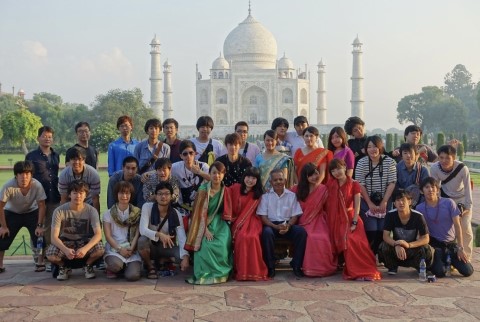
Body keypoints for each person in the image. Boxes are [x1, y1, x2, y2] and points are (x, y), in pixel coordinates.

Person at [326, 159, 381, 281]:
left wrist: (354, 222)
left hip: (351, 217)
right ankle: (349, 268)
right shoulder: (330, 184)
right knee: (343, 240)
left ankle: (362, 270)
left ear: (345, 167)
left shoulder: (354, 184)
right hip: (336, 219)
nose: (336, 172)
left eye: (339, 168)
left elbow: (357, 206)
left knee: (355, 242)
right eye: (333, 170)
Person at [46, 180, 104, 280]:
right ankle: (63, 266)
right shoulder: (59, 211)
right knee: (50, 255)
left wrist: (85, 248)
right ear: (69, 195)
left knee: (100, 249)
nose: (78, 196)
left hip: (84, 242)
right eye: (75, 193)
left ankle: (88, 265)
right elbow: (54, 237)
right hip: (66, 241)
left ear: (86, 195)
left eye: (81, 193)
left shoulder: (92, 211)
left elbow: (98, 234)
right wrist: (65, 249)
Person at [185, 162, 232, 284]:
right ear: (209, 174)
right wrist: (204, 229)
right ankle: (204, 274)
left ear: (224, 175)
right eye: (214, 173)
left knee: (221, 244)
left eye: (220, 173)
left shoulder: (225, 190)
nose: (217, 176)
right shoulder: (203, 190)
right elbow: (197, 213)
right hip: (203, 222)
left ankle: (221, 273)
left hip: (220, 223)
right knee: (205, 245)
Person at [416, 177, 473, 277]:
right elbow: (420, 232)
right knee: (440, 272)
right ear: (422, 191)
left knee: (468, 271)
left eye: (433, 187)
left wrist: (460, 248)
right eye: (427, 187)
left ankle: (448, 260)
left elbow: (457, 225)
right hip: (434, 245)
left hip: (450, 245)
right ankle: (438, 262)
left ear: (438, 189)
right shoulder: (419, 208)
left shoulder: (449, 203)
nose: (430, 190)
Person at [257, 169, 306, 278]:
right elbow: (263, 217)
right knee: (266, 233)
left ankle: (296, 265)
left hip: (287, 225)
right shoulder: (266, 197)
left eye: (280, 179)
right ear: (271, 182)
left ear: (285, 180)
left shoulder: (292, 195)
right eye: (275, 180)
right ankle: (270, 266)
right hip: (271, 225)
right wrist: (275, 226)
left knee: (301, 232)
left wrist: (288, 226)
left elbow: (295, 215)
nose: (278, 182)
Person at [0, 161, 47, 273]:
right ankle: (0, 264)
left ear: (31, 175)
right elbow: (0, 206)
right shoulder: (8, 186)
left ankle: (40, 262)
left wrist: (40, 225)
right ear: (16, 175)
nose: (24, 177)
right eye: (21, 174)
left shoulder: (37, 185)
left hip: (32, 212)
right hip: (12, 213)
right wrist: (3, 226)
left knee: (39, 237)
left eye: (27, 174)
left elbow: (42, 205)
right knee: (3, 236)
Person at [223, 167, 268, 281]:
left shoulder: (259, 194)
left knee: (251, 237)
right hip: (237, 221)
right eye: (248, 177)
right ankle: (241, 271)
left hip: (253, 220)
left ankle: (253, 271)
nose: (250, 180)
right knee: (242, 237)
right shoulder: (235, 188)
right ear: (244, 177)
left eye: (253, 178)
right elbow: (223, 192)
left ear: (257, 180)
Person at [291, 163, 336, 277]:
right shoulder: (296, 189)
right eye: (311, 175)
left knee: (322, 237)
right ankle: (309, 268)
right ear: (305, 177)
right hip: (301, 221)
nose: (315, 177)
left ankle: (322, 268)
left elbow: (330, 207)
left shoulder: (323, 189)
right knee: (310, 236)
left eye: (316, 174)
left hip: (319, 220)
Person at [430, 144, 473, 260]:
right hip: (447, 200)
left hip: (462, 200)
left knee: (465, 227)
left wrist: (467, 207)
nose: (444, 161)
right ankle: (451, 257)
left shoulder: (462, 168)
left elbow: (468, 189)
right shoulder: (434, 168)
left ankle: (466, 257)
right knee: (449, 229)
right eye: (441, 157)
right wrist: (437, 204)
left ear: (453, 158)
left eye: (447, 158)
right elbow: (435, 188)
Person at [355, 135, 397, 254]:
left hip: (385, 200)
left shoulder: (389, 161)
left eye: (375, 146)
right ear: (365, 149)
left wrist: (384, 201)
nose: (372, 149)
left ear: (380, 147)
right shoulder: (361, 163)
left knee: (383, 229)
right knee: (372, 228)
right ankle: (370, 255)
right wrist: (369, 203)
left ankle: (381, 256)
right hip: (366, 201)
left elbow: (392, 182)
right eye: (369, 147)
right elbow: (360, 184)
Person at [138, 182, 189, 279]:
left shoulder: (176, 213)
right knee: (142, 241)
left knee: (181, 257)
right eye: (160, 194)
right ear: (155, 196)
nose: (163, 197)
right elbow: (142, 230)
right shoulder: (147, 207)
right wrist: (159, 235)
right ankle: (150, 266)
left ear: (171, 197)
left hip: (167, 247)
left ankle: (164, 259)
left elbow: (182, 237)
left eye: (166, 194)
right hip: (152, 245)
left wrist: (185, 257)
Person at [25, 126, 60, 267]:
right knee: (38, 228)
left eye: (50, 136)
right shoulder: (31, 156)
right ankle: (38, 256)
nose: (47, 139)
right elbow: (27, 177)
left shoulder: (56, 155)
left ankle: (49, 256)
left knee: (52, 228)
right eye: (45, 136)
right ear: (38, 138)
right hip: (37, 198)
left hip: (53, 196)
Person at [379, 189, 433, 275]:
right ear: (394, 204)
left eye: (403, 200)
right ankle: (392, 267)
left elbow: (426, 238)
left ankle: (420, 266)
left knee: (426, 248)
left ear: (409, 201)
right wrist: (396, 244)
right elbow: (385, 236)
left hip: (412, 248)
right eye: (398, 200)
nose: (401, 203)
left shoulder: (418, 216)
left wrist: (409, 245)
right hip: (397, 249)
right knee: (383, 246)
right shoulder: (390, 215)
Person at [102, 181, 142, 281]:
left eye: (127, 193)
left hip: (131, 250)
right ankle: (114, 267)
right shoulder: (108, 214)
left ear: (131, 195)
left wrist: (132, 248)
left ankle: (125, 268)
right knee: (116, 265)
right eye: (121, 193)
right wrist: (120, 249)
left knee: (132, 276)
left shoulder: (136, 212)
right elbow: (108, 236)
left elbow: (137, 232)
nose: (124, 196)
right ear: (116, 194)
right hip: (115, 249)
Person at [59, 147, 101, 214]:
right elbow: (64, 198)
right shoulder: (64, 175)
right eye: (73, 159)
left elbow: (95, 198)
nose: (76, 162)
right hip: (70, 204)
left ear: (84, 160)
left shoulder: (93, 174)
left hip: (88, 203)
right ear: (69, 161)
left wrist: (97, 216)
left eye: (79, 159)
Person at [171, 140, 210, 211]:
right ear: (181, 156)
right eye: (185, 154)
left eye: (191, 153)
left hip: (201, 205)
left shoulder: (204, 166)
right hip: (182, 206)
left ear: (195, 153)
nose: (188, 156)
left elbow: (214, 180)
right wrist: (147, 173)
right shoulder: (175, 167)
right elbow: (163, 170)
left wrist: (200, 172)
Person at [395, 143, 430, 208]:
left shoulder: (423, 170)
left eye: (411, 152)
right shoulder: (396, 169)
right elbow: (394, 188)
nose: (408, 155)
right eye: (405, 153)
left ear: (416, 154)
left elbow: (427, 190)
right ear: (401, 155)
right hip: (402, 204)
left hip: (419, 204)